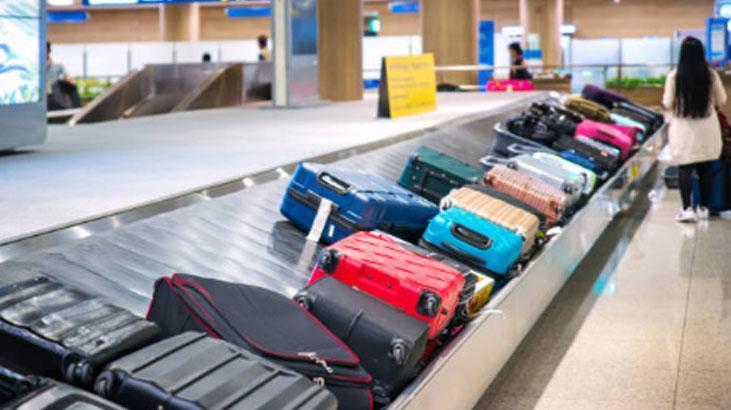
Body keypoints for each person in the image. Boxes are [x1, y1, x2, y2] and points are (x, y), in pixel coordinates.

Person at [663, 36, 727, 222]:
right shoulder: (711, 75)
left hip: (684, 130)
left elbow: (667, 102)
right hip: (707, 129)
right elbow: (722, 99)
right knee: (706, 168)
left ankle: (686, 209)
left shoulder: (675, 76)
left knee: (685, 168)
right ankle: (703, 207)